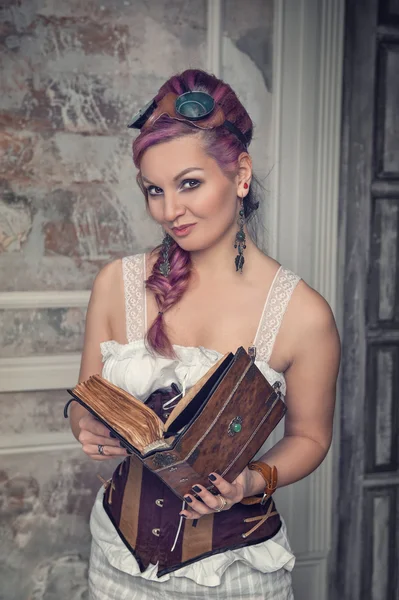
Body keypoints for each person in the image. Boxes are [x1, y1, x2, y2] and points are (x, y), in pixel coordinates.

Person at [68, 69, 340, 599]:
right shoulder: (115, 284)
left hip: (235, 577)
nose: (169, 211)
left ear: (240, 174)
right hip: (116, 567)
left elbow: (311, 438)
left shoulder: (303, 314)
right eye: (154, 190)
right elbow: (85, 398)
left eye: (189, 183)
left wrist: (250, 482)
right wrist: (86, 424)